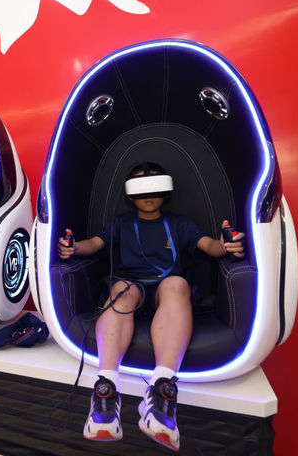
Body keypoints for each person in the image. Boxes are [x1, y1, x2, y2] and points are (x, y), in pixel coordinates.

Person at [57, 162, 245, 451]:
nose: (148, 194)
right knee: (120, 291)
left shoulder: (179, 223)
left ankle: (161, 393)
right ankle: (105, 392)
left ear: (166, 191)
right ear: (130, 194)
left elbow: (210, 246)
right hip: (132, 286)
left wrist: (226, 245)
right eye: (140, 186)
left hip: (166, 288)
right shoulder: (121, 223)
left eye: (155, 185)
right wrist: (73, 247)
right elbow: (94, 243)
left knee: (177, 284)